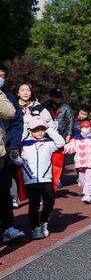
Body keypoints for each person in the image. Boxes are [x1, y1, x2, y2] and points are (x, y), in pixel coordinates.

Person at [16, 116, 65, 239]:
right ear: (29, 130)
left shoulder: (49, 143)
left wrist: (49, 129)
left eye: (42, 129)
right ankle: (35, 228)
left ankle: (43, 222)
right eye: (36, 129)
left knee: (50, 201)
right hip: (30, 180)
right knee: (34, 204)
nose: (39, 131)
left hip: (46, 178)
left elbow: (61, 142)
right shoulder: (23, 144)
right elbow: (19, 161)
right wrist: (14, 157)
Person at [0, 63, 25, 243]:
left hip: (4, 151)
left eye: (2, 76)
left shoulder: (6, 96)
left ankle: (8, 227)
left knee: (4, 191)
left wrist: (14, 145)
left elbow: (14, 118)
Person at [63, 120, 91, 203]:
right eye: (83, 127)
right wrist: (63, 149)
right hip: (80, 163)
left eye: (86, 127)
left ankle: (88, 195)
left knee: (89, 179)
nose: (84, 129)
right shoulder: (76, 139)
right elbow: (71, 148)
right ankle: (86, 191)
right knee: (81, 180)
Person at [44, 87, 74, 190]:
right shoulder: (45, 107)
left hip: (62, 134)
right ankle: (49, 176)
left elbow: (70, 121)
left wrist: (69, 134)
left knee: (60, 157)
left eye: (60, 96)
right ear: (51, 97)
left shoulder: (66, 107)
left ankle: (59, 178)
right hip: (48, 134)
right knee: (48, 156)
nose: (58, 99)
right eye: (56, 97)